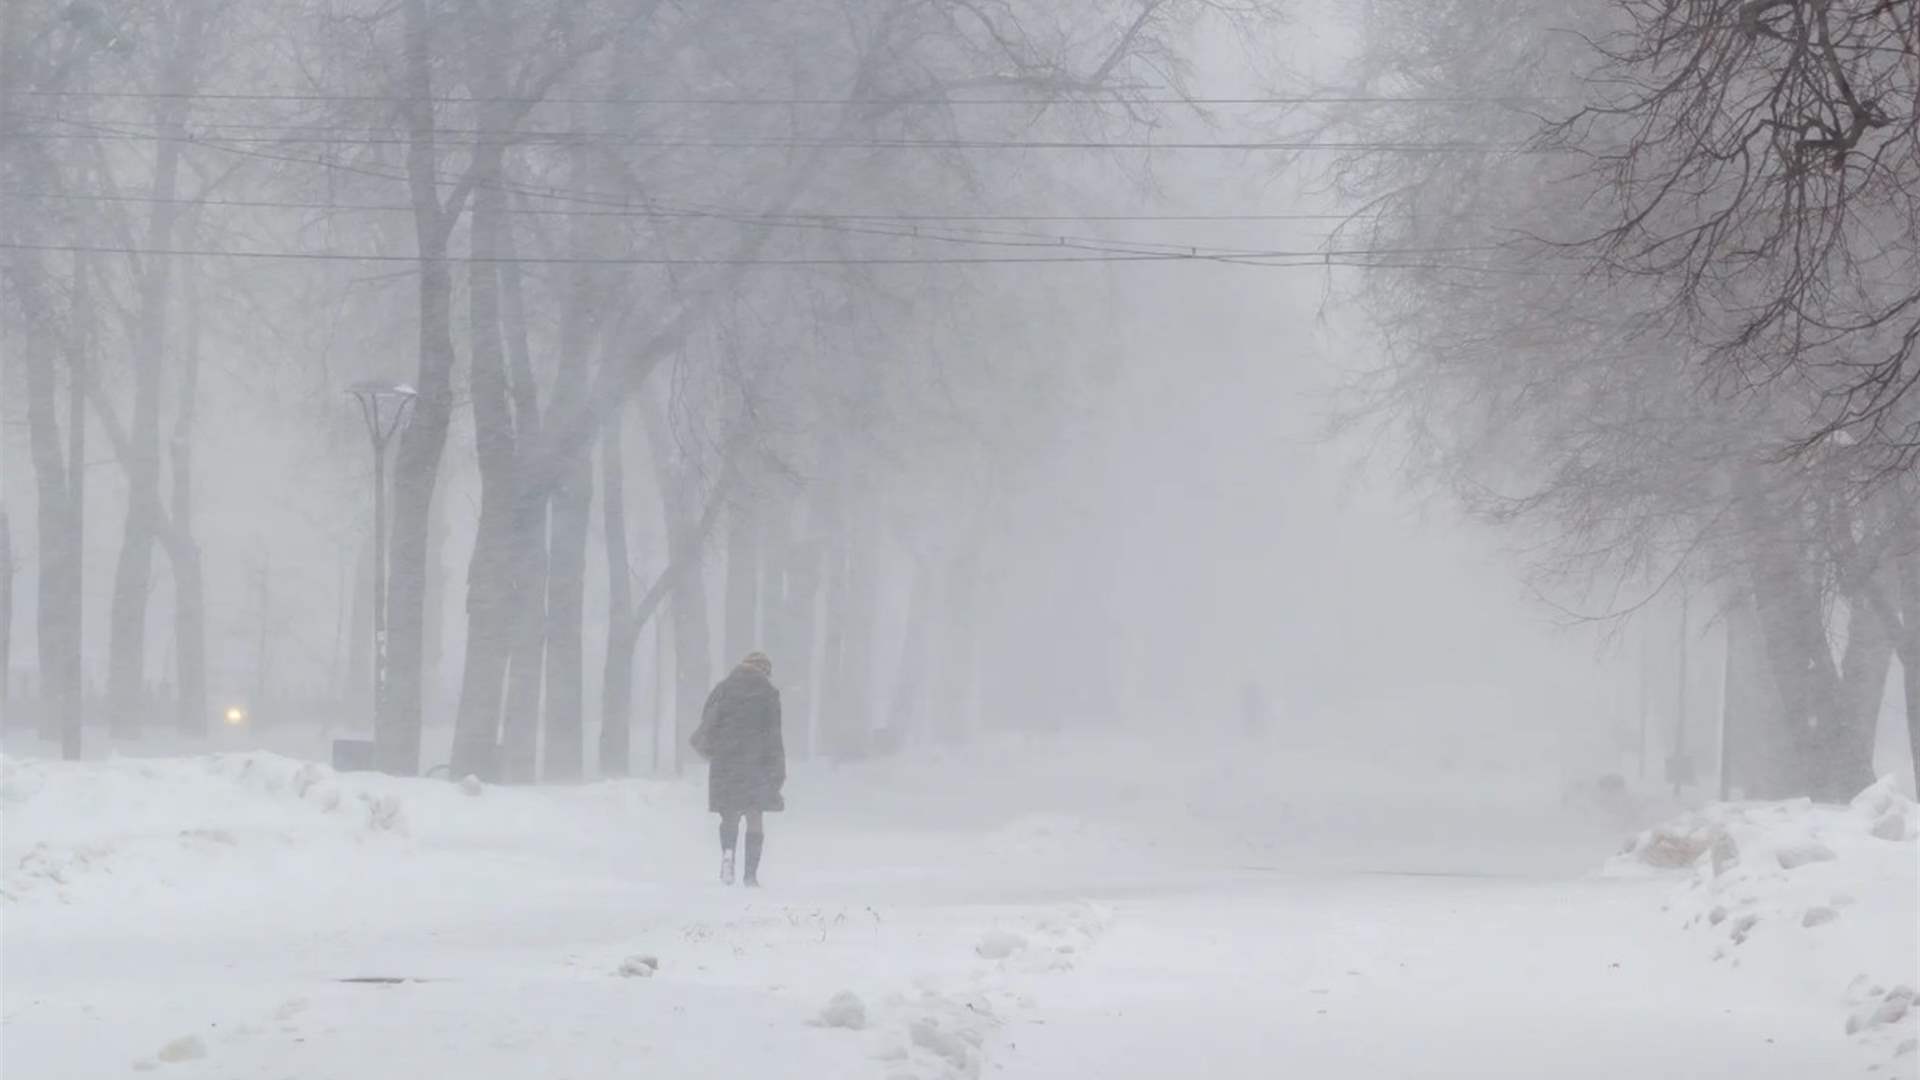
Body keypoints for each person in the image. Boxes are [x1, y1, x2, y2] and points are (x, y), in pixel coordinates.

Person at [690, 651, 786, 886]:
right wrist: (777, 773)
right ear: (764, 670)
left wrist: (715, 752)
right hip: (756, 762)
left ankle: (727, 855)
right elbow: (773, 736)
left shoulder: (723, 689)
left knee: (730, 815)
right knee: (754, 817)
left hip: (725, 761)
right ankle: (750, 876)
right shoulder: (767, 694)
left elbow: (707, 725)